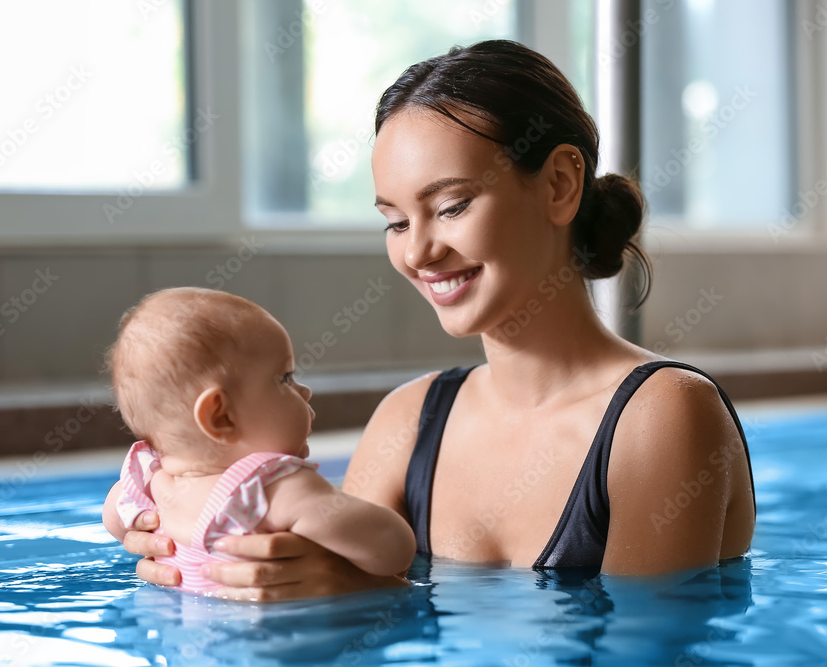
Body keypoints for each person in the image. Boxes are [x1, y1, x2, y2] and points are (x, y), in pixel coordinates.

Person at [113, 40, 756, 601]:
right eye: (394, 222)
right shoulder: (409, 419)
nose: (418, 252)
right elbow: (309, 577)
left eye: (451, 206)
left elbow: (643, 646)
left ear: (560, 183)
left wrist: (371, 591)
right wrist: (179, 534)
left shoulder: (663, 414)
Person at [100, 287, 416, 594]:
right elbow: (393, 549)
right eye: (285, 378)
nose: (305, 391)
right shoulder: (274, 489)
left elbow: (113, 520)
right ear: (220, 416)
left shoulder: (146, 487)